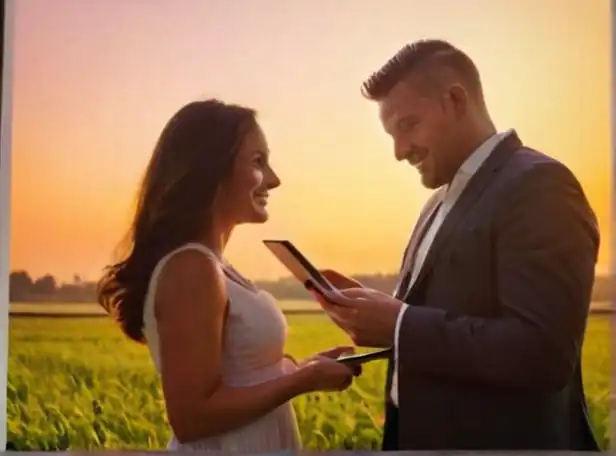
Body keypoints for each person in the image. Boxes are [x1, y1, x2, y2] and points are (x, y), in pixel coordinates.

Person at [308, 40, 601, 451]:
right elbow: (445, 319)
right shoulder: (436, 203)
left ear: (455, 100)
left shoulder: (539, 185)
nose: (399, 152)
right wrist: (382, 316)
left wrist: (398, 323)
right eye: (392, 134)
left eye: (408, 125)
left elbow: (543, 352)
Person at [96, 99, 360, 452]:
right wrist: (303, 380)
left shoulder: (216, 266)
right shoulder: (191, 268)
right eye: (258, 161)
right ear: (212, 170)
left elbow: (243, 376)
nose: (274, 179)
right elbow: (192, 417)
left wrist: (304, 368)